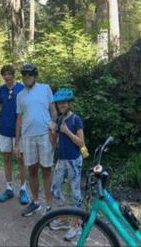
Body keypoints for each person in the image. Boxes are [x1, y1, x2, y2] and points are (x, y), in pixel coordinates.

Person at [15, 63, 57, 217]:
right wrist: (17, 143)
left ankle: (50, 206)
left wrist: (54, 126)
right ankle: (36, 202)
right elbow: (19, 120)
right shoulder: (20, 95)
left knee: (46, 170)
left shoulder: (45, 89)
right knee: (32, 170)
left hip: (44, 135)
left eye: (30, 75)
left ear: (35, 76)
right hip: (27, 137)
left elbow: (53, 111)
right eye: (25, 75)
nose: (27, 78)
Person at [48, 88, 86, 241]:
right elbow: (54, 144)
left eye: (64, 102)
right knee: (55, 188)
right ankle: (64, 218)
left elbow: (81, 142)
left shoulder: (76, 120)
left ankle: (75, 224)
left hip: (74, 161)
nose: (61, 105)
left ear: (69, 103)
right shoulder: (58, 119)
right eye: (59, 103)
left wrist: (67, 131)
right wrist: (52, 131)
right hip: (61, 160)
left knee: (75, 193)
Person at [0, 65, 29, 205]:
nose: (7, 76)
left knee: (21, 158)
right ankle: (9, 188)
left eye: (9, 74)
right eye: (5, 74)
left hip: (19, 131)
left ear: (13, 75)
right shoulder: (0, 90)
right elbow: (1, 106)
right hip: (4, 129)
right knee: (6, 158)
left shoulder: (22, 88)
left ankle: (23, 189)